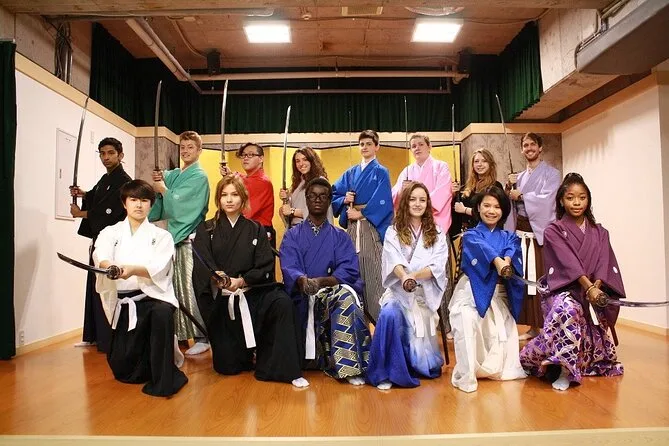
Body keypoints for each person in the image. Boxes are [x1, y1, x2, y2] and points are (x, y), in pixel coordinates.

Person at [192, 176, 308, 388]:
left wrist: (242, 280)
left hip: (252, 293)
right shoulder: (206, 229)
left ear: (243, 199)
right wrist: (217, 278)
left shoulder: (256, 228)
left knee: (281, 303)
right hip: (224, 301)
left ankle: (281, 367)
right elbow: (202, 264)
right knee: (228, 367)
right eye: (224, 195)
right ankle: (245, 351)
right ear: (218, 199)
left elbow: (265, 265)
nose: (229, 200)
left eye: (234, 195)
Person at [520, 173, 625, 391]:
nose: (577, 203)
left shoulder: (600, 232)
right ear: (561, 201)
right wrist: (589, 288)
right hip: (565, 288)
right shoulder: (553, 230)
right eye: (570, 198)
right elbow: (569, 263)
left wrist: (597, 287)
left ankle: (575, 361)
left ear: (588, 200)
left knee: (589, 311)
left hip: (593, 291)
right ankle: (565, 369)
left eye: (582, 197)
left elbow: (604, 262)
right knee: (566, 309)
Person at [93, 179, 188, 397]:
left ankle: (163, 380)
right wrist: (111, 267)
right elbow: (101, 255)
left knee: (162, 313)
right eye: (133, 199)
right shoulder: (110, 232)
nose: (138, 205)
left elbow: (160, 267)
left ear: (151, 205)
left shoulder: (162, 236)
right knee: (123, 369)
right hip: (124, 302)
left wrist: (132, 269)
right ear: (124, 203)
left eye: (144, 200)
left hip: (153, 297)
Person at [280, 178, 371, 385]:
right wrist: (302, 281)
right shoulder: (292, 236)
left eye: (323, 196)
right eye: (313, 196)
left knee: (346, 297)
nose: (317, 200)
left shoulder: (340, 236)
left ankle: (348, 367)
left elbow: (348, 269)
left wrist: (322, 282)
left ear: (330, 200)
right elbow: (289, 266)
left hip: (330, 294)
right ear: (306, 199)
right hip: (301, 296)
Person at [367, 182, 448, 389]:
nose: (417, 204)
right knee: (389, 314)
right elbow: (393, 260)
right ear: (405, 202)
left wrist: (414, 276)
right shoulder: (393, 231)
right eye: (412, 199)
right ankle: (384, 372)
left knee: (425, 367)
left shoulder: (438, 233)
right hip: (399, 291)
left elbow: (437, 267)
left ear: (427, 204)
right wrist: (404, 277)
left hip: (423, 295)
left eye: (422, 200)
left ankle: (406, 365)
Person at [449, 186, 527, 393]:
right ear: (478, 208)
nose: (491, 211)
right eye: (486, 206)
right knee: (465, 318)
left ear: (503, 211)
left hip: (499, 295)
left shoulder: (509, 236)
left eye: (497, 207)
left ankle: (492, 367)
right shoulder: (471, 235)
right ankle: (467, 374)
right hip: (473, 292)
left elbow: (512, 248)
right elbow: (483, 248)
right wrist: (498, 261)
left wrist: (507, 261)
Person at [149, 130, 210, 356]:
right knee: (175, 288)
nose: (185, 151)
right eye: (182, 147)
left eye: (190, 147)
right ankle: (182, 334)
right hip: (174, 239)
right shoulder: (175, 174)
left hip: (190, 238)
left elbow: (183, 206)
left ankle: (203, 335)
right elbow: (163, 197)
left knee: (191, 288)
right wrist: (159, 181)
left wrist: (164, 190)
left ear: (199, 150)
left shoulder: (199, 177)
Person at [69, 137, 132, 353]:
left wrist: (82, 214)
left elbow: (110, 211)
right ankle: (93, 335)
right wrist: (84, 194)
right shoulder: (106, 179)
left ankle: (108, 338)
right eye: (102, 153)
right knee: (94, 286)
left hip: (112, 242)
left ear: (120, 155)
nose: (106, 157)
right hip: (100, 240)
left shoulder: (124, 181)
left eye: (111, 153)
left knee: (106, 287)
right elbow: (97, 198)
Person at [332, 129, 393, 323]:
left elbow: (384, 200)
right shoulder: (351, 173)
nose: (365, 147)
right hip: (352, 228)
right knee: (352, 271)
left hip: (370, 226)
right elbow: (333, 193)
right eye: (362, 144)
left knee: (374, 273)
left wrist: (362, 213)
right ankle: (358, 325)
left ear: (377, 147)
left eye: (369, 144)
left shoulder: (381, 172)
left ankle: (380, 323)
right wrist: (344, 199)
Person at [504, 133, 561, 340]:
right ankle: (532, 327)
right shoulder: (518, 177)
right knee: (524, 279)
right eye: (525, 145)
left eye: (532, 145)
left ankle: (548, 326)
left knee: (541, 279)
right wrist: (509, 187)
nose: (529, 148)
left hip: (539, 234)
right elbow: (510, 204)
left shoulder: (552, 174)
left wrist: (522, 195)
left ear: (540, 147)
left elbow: (547, 201)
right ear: (521, 149)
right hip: (521, 233)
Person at [392, 134, 453, 232]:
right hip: (411, 221)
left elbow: (443, 193)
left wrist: (419, 205)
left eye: (421, 144)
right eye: (414, 146)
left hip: (435, 220)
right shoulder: (407, 171)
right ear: (411, 150)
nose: (417, 148)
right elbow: (394, 195)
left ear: (429, 146)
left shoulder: (441, 167)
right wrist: (401, 191)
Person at [221, 143, 276, 250]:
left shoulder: (262, 182)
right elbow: (242, 178)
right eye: (243, 155)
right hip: (249, 230)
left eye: (250, 155)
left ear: (261, 159)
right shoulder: (248, 178)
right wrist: (229, 175)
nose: (246, 158)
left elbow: (247, 212)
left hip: (258, 233)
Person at [451, 148, 504, 238]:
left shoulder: (496, 187)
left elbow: (492, 213)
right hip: (468, 235)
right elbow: (456, 213)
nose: (480, 164)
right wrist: (453, 195)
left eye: (484, 161)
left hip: (488, 235)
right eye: (476, 161)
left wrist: (465, 210)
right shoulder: (465, 188)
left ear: (490, 164)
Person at [278, 146, 333, 227]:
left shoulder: (320, 182)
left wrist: (293, 211)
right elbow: (289, 213)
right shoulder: (298, 183)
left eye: (305, 159)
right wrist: (286, 199)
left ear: (312, 161)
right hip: (296, 229)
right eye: (297, 161)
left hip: (312, 229)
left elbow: (319, 211)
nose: (301, 164)